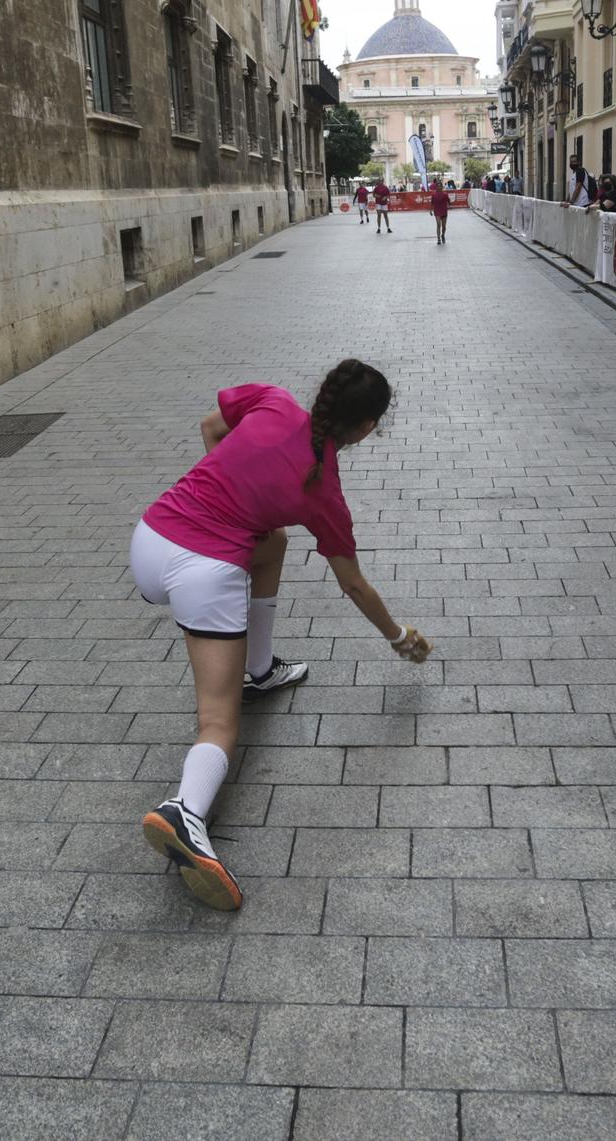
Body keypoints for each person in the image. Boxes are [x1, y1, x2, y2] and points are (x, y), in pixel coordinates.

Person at [134, 361, 433, 910]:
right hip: (202, 571)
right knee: (220, 722)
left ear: (323, 393)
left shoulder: (271, 400)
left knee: (271, 541)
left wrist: (234, 501)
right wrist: (398, 635)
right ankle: (185, 811)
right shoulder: (324, 493)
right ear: (366, 428)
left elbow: (210, 426)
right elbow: (353, 585)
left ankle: (261, 669)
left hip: (151, 538)